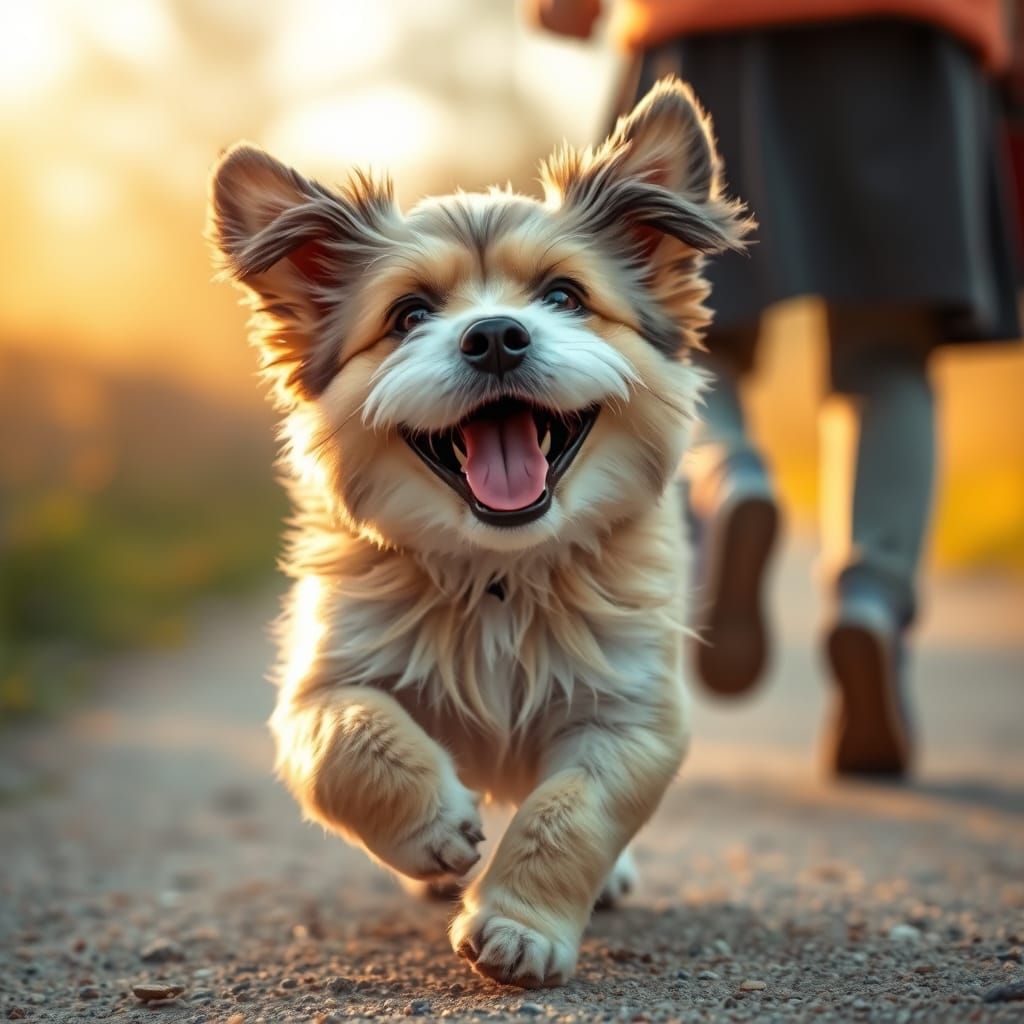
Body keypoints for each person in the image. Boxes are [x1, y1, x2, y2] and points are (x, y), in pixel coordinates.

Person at [527, 0, 1021, 776]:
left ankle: (727, 481)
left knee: (679, 327)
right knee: (887, 355)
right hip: (914, 41)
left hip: (706, 36)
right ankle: (871, 603)